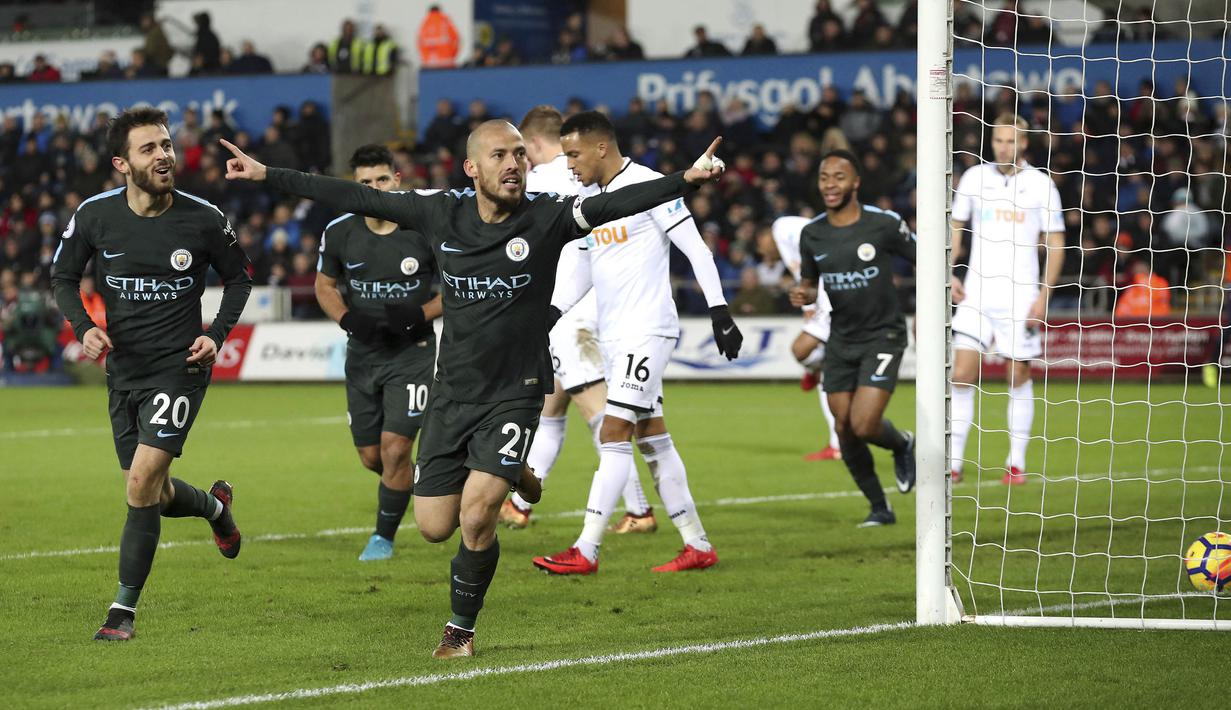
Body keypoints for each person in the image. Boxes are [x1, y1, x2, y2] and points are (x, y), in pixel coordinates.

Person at [220, 120, 727, 658]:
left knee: (477, 513)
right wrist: (266, 174)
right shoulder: (442, 213)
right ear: (472, 168)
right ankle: (516, 471)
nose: (513, 164)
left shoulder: (548, 215)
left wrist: (686, 179)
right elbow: (351, 193)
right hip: (453, 392)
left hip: (517, 389)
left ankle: (460, 629)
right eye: (499, 156)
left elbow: (617, 204)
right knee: (434, 525)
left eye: (518, 154)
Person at [50, 108, 252, 641]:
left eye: (166, 144)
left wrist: (218, 334)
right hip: (125, 370)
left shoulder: (203, 217)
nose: (164, 155)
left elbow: (240, 279)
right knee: (153, 493)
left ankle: (122, 612)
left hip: (179, 367)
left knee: (140, 486)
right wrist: (82, 326)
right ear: (121, 163)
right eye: (149, 148)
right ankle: (215, 509)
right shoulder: (95, 216)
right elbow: (63, 277)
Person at [533, 111, 742, 575]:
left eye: (573, 154)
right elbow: (584, 267)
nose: (569, 165)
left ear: (601, 148)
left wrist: (719, 311)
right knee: (654, 439)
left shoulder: (651, 186)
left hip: (647, 330)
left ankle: (585, 549)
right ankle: (697, 544)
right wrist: (551, 313)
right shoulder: (590, 197)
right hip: (614, 335)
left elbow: (697, 250)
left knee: (612, 432)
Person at [499, 106, 655, 532]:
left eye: (519, 153)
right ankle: (519, 506)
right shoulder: (588, 174)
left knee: (604, 419)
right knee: (549, 412)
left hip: (571, 319)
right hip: (589, 310)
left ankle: (639, 511)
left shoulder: (543, 178)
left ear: (531, 146)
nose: (516, 164)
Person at [316, 145, 443, 561]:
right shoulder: (339, 231)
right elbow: (325, 286)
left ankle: (382, 539)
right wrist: (349, 321)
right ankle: (418, 477)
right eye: (365, 183)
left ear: (397, 180)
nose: (374, 189)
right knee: (373, 457)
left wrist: (419, 315)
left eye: (382, 180)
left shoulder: (423, 229)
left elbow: (458, 285)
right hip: (363, 354)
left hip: (413, 352)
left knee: (394, 449)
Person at [788, 150, 916, 527]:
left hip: (883, 334)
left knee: (863, 424)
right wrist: (803, 294)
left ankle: (902, 443)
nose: (830, 184)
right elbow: (811, 286)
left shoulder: (883, 224)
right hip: (841, 340)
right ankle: (879, 508)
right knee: (843, 427)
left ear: (856, 182)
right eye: (825, 176)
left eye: (839, 177)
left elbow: (927, 257)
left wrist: (941, 294)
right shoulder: (812, 234)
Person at [950, 113, 1065, 485]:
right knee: (962, 374)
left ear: (1024, 143)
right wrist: (948, 272)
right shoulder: (974, 178)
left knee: (1017, 375)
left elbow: (1056, 242)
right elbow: (956, 229)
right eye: (998, 140)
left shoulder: (1041, 185)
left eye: (1011, 141)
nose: (1003, 147)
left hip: (1021, 295)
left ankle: (1015, 463)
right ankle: (953, 464)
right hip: (977, 292)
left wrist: (1044, 294)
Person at [773, 215, 841, 461]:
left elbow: (800, 267)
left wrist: (809, 305)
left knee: (801, 351)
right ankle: (837, 444)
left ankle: (815, 369)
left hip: (833, 297)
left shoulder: (781, 229)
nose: (762, 252)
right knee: (823, 368)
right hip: (823, 296)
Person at [418, 5, 460, 69]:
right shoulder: (446, 22)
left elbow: (420, 43)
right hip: (447, 62)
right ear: (440, 11)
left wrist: (425, 58)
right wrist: (453, 55)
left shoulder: (425, 24)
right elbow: (456, 40)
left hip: (430, 64)